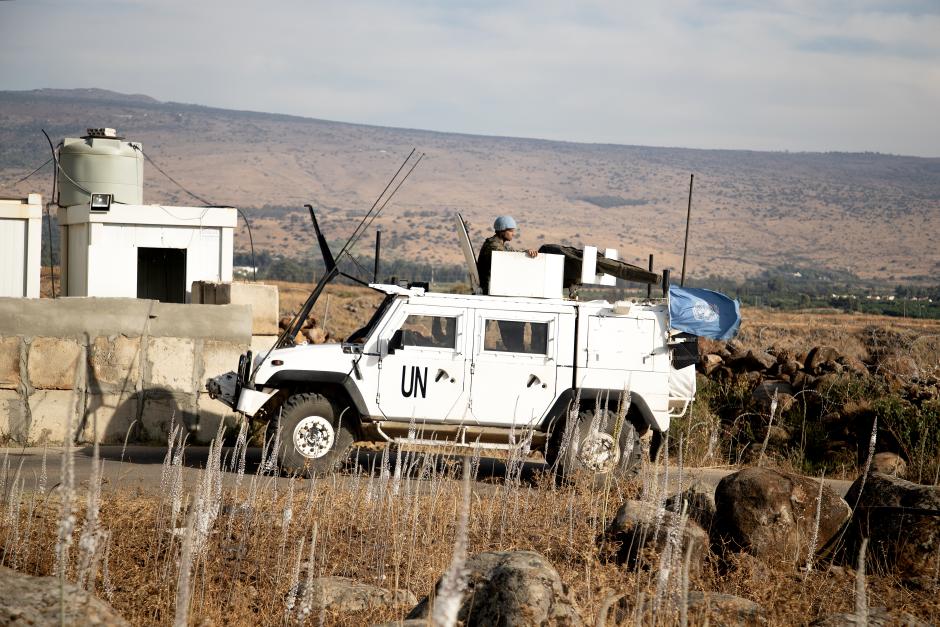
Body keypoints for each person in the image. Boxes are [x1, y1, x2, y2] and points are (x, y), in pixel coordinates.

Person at [476, 215, 537, 295]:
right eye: (511, 231)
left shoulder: (497, 243)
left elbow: (510, 252)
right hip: (488, 290)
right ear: (502, 231)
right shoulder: (494, 245)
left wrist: (525, 252)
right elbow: (506, 257)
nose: (513, 234)